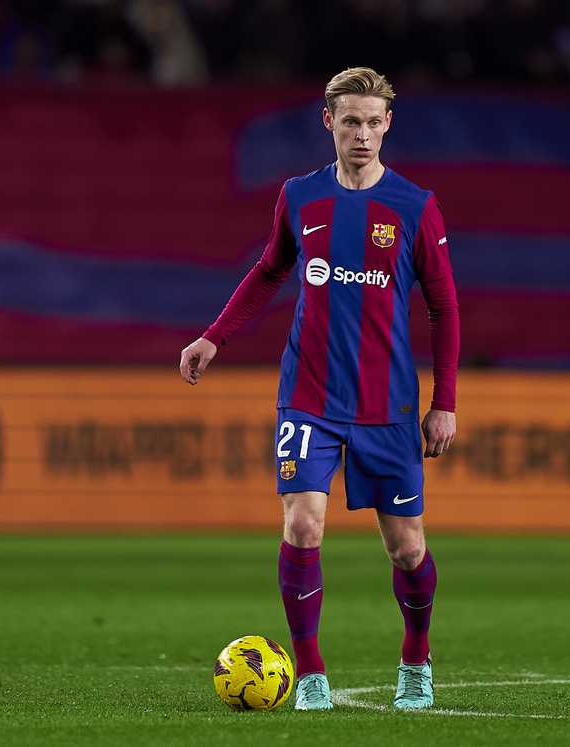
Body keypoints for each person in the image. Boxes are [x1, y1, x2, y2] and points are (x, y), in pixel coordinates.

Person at [178, 67, 459, 711]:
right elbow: (268, 269)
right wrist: (214, 336)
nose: (362, 133)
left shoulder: (415, 206)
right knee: (302, 525)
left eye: (374, 121)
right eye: (350, 120)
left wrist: (444, 402)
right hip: (308, 395)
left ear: (389, 125)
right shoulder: (299, 197)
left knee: (406, 546)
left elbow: (445, 307)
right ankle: (309, 674)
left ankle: (415, 658)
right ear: (328, 122)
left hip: (387, 406)